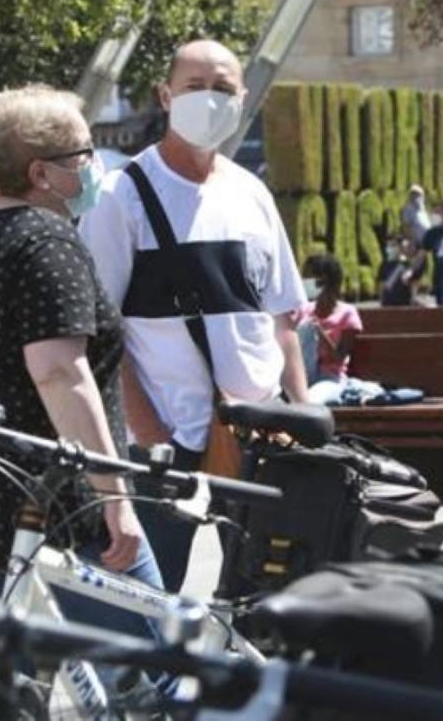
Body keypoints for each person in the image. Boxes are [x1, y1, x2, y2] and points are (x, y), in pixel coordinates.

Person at [0, 85, 175, 699]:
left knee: (2, 688)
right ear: (41, 173)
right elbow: (60, 373)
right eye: (83, 153)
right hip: (59, 505)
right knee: (163, 673)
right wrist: (117, 499)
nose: (94, 165)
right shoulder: (46, 242)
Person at [78, 39, 309, 593]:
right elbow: (98, 336)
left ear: (243, 97)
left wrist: (305, 418)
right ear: (165, 95)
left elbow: (282, 323)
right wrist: (148, 428)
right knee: (148, 605)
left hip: (259, 437)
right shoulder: (120, 196)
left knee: (267, 602)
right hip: (163, 445)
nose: (210, 101)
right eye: (195, 87)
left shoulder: (251, 192)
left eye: (223, 89)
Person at [296, 254, 364, 404]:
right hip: (301, 376)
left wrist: (319, 331)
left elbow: (338, 359)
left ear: (324, 282)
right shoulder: (304, 310)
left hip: (330, 378)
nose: (305, 282)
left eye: (309, 277)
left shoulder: (347, 313)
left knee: (308, 401)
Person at [379, 234, 424, 307]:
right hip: (387, 304)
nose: (389, 249)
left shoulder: (408, 265)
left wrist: (412, 300)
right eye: (388, 246)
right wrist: (381, 301)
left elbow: (414, 284)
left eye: (393, 246)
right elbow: (382, 284)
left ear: (400, 247)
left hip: (403, 304)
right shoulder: (384, 264)